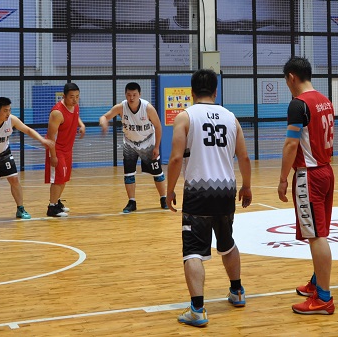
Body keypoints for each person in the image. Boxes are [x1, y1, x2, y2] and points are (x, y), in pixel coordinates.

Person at [166, 69, 253, 328]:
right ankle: (237, 291)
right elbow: (244, 157)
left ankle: (197, 309)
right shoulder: (231, 117)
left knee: (193, 251)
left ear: (192, 92)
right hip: (226, 190)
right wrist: (247, 187)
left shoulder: (185, 117)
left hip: (198, 192)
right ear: (216, 91)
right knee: (227, 243)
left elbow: (176, 158)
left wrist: (169, 190)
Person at [278, 56, 336, 315]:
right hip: (326, 171)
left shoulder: (298, 104)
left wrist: (283, 179)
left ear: (291, 77)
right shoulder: (325, 100)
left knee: (316, 236)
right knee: (319, 232)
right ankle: (316, 281)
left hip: (309, 175)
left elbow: (291, 144)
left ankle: (323, 297)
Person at [0, 97, 54, 222]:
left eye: (9, 110)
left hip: (3, 153)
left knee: (14, 179)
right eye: (5, 111)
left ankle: (20, 209)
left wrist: (42, 140)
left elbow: (27, 130)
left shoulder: (12, 120)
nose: (8, 113)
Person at [98, 82, 167, 213]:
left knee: (157, 173)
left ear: (139, 94)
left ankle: (164, 198)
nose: (131, 98)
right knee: (128, 175)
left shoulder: (148, 108)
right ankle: (132, 202)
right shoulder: (121, 107)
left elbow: (158, 127)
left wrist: (157, 147)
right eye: (129, 95)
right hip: (130, 143)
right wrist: (103, 122)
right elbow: (104, 116)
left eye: (134, 95)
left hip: (148, 142)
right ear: (125, 94)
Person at [45, 82, 86, 218]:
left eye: (77, 96)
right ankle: (52, 208)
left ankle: (56, 202)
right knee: (58, 179)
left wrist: (81, 125)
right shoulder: (57, 113)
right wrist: (53, 156)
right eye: (71, 97)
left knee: (64, 178)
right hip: (57, 149)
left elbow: (76, 115)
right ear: (64, 96)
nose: (75, 100)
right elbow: (51, 136)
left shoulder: (75, 106)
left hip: (68, 149)